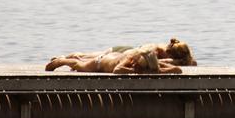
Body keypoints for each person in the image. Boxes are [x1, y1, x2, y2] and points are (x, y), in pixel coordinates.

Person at [49, 38, 197, 67]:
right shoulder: (155, 49)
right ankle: (65, 57)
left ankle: (66, 58)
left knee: (89, 58)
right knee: (85, 56)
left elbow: (191, 62)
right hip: (122, 51)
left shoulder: (183, 56)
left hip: (124, 54)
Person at [45, 46, 182, 74]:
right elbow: (117, 70)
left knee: (82, 59)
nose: (142, 70)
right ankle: (60, 61)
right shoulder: (130, 61)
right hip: (100, 63)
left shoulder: (150, 65)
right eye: (140, 67)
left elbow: (178, 70)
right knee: (79, 65)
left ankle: (68, 57)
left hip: (112, 56)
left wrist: (159, 71)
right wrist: (135, 71)